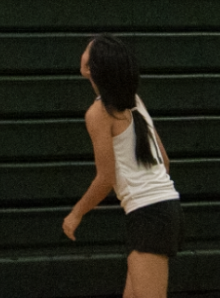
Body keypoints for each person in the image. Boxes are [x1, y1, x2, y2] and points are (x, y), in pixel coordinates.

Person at [62, 34, 183, 298]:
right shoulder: (135, 100)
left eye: (89, 49)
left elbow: (105, 178)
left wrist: (76, 214)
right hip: (160, 210)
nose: (86, 46)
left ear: (92, 68)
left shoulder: (98, 113)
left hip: (149, 214)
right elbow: (164, 161)